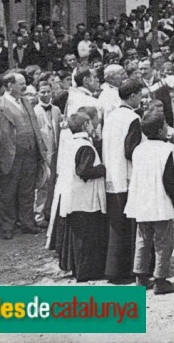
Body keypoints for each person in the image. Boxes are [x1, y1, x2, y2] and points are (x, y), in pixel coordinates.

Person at [0, 72, 47, 240]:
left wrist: (40, 149)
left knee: (27, 190)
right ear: (10, 85)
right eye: (21, 83)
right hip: (10, 155)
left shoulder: (27, 102)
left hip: (30, 153)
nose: (24, 86)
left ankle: (27, 223)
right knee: (8, 192)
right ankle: (7, 226)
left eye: (24, 83)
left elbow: (35, 127)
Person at [125, 111, 174, 295]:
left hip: (142, 200)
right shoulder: (166, 150)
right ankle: (160, 280)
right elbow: (170, 180)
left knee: (143, 239)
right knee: (163, 241)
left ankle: (140, 277)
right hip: (160, 200)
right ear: (160, 130)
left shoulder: (138, 149)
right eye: (165, 125)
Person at [101, 79, 143, 281]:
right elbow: (131, 151)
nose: (141, 99)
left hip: (112, 174)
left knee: (117, 224)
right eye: (140, 95)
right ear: (133, 96)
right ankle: (128, 270)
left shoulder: (111, 117)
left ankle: (113, 269)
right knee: (129, 225)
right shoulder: (132, 118)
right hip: (127, 176)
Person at [61, 111, 107, 282]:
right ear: (85, 125)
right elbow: (83, 171)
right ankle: (86, 272)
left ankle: (78, 269)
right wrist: (102, 169)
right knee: (86, 237)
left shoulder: (70, 143)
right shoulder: (84, 146)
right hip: (84, 198)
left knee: (79, 237)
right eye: (90, 123)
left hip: (74, 197)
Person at [34, 80, 61, 226]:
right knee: (42, 183)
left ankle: (49, 212)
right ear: (38, 93)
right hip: (43, 151)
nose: (45, 94)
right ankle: (38, 215)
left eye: (48, 91)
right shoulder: (34, 110)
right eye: (42, 92)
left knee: (54, 182)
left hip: (55, 149)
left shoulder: (56, 109)